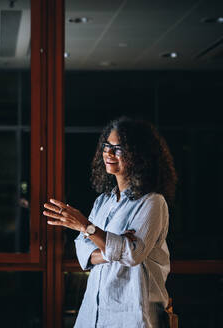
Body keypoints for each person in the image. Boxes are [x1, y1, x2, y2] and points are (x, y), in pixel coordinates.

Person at [43, 117, 177, 327]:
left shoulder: (153, 202)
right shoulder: (102, 202)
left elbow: (132, 254)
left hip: (133, 316)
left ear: (139, 155)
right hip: (93, 315)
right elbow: (83, 252)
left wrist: (87, 228)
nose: (108, 153)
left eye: (119, 148)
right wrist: (112, 245)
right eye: (107, 146)